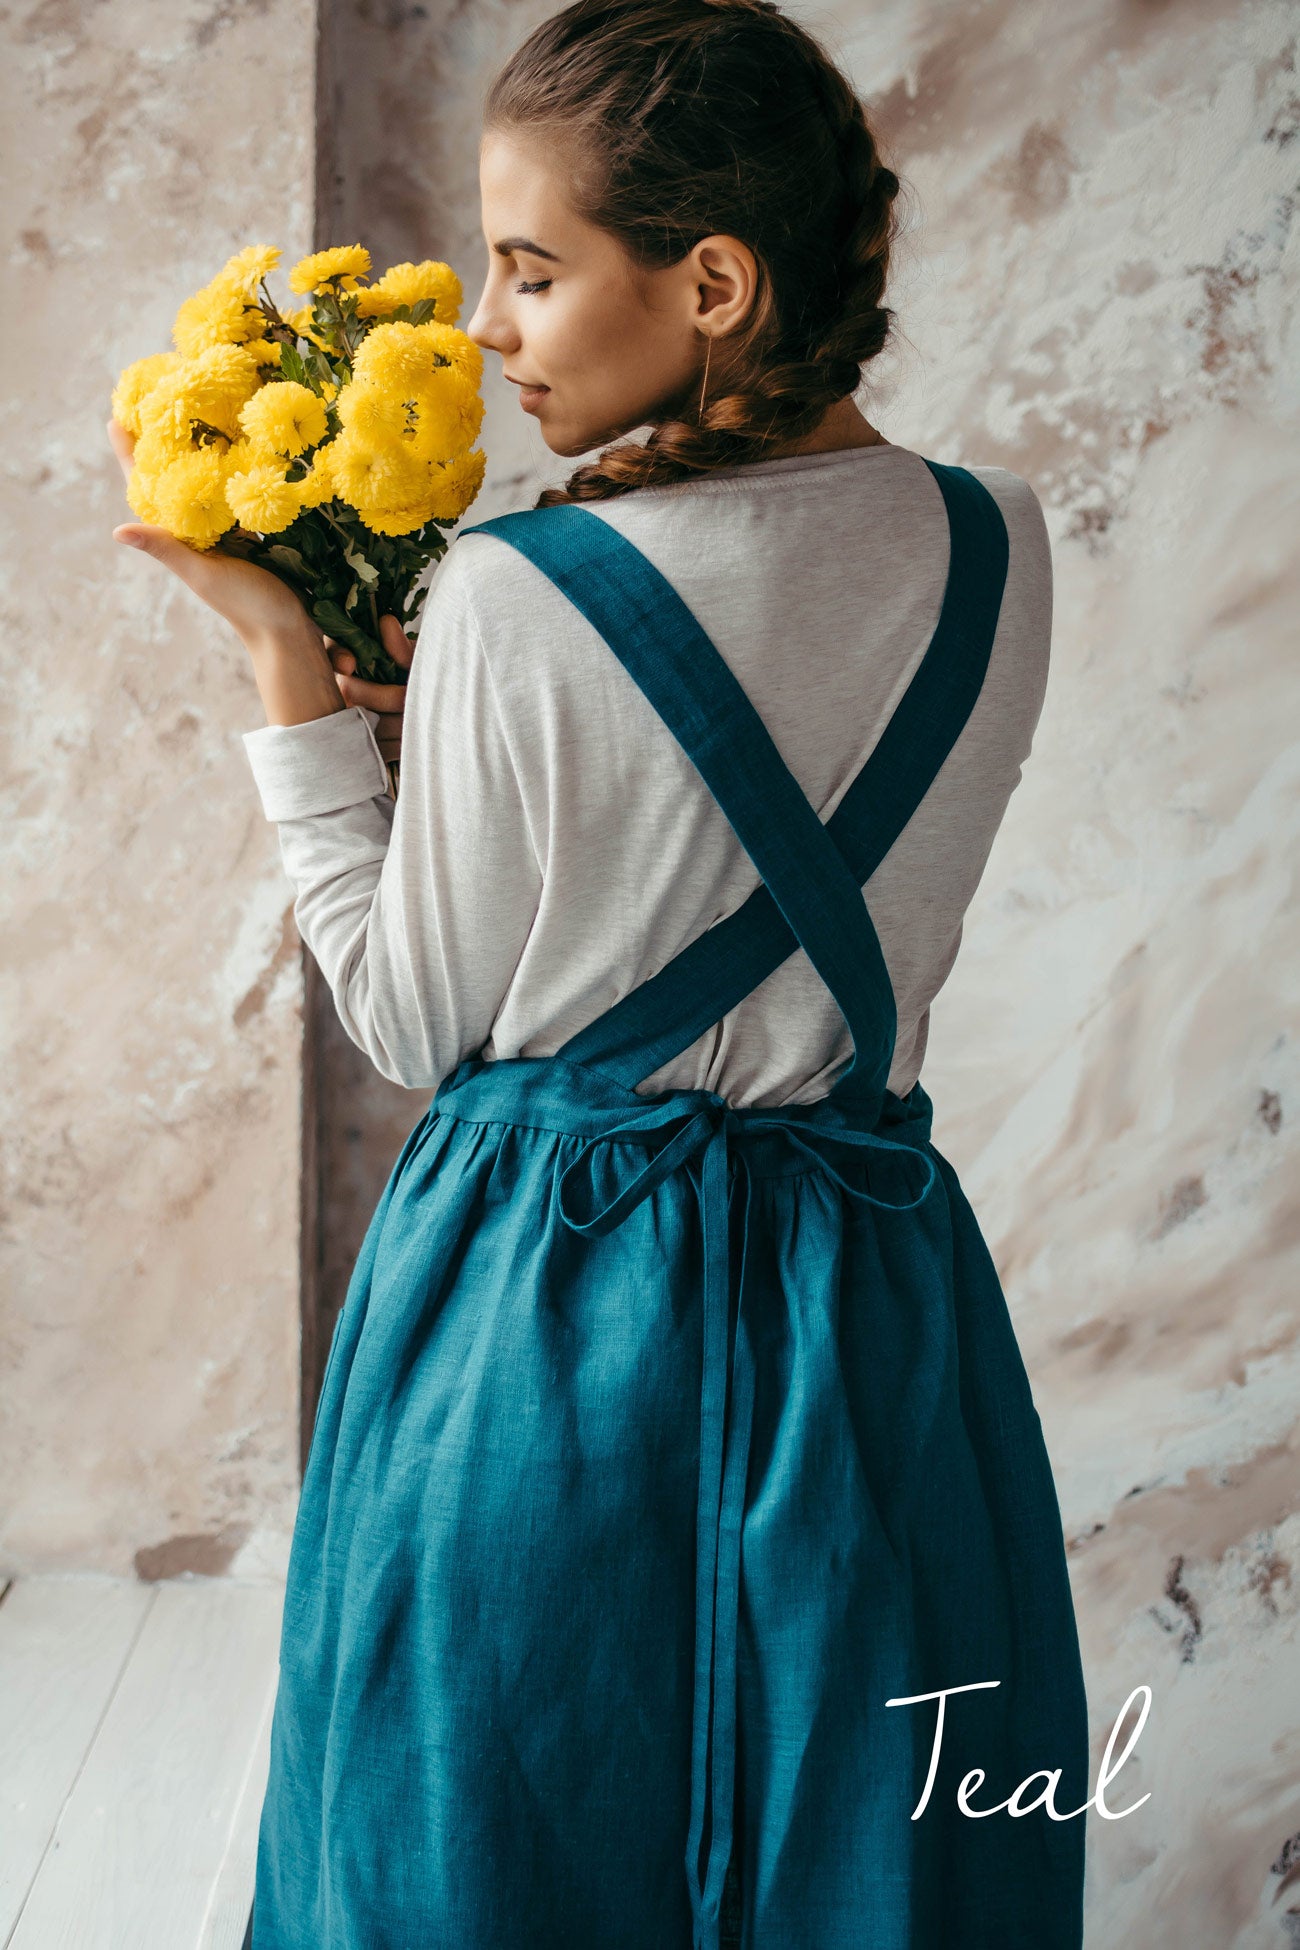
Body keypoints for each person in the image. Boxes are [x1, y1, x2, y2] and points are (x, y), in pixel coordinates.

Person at [109, 1, 1091, 1944]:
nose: (484, 324)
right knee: (878, 1858)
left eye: (533, 269)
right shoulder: (999, 541)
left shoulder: (511, 593)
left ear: (709, 280)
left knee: (477, 1853)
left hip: (538, 1321)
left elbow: (406, 1016)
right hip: (867, 1312)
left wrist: (290, 679)